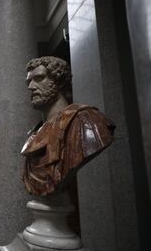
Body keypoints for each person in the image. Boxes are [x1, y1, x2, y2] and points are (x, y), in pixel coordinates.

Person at [21, 56, 115, 196]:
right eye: (29, 81)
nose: (31, 87)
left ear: (59, 81)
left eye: (39, 78)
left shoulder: (85, 121)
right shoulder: (35, 132)